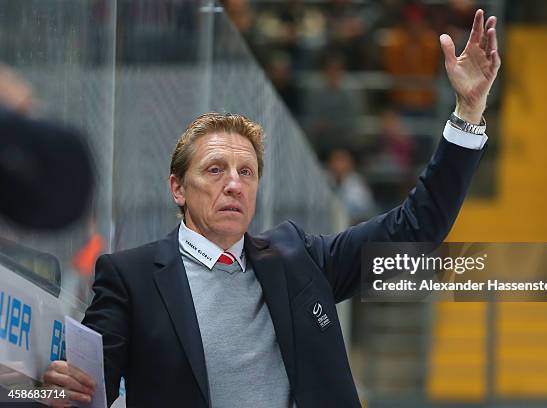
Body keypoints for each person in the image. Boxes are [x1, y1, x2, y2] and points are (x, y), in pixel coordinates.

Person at [43, 9, 500, 408]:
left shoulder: (298, 258)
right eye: (216, 170)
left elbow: (416, 228)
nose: (234, 185)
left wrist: (468, 110)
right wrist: (45, 392)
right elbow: (82, 388)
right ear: (177, 188)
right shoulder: (130, 277)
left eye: (246, 172)